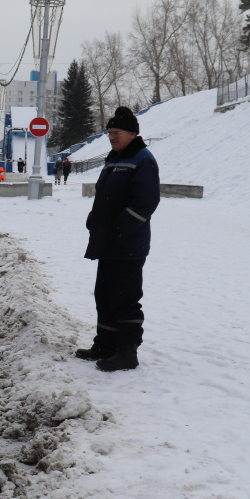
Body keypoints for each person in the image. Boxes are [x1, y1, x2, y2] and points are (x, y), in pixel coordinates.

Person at [76, 106, 160, 372]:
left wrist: (120, 228)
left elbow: (146, 202)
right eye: (109, 133)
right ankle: (105, 344)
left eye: (117, 132)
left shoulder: (142, 159)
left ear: (133, 133)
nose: (112, 137)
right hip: (108, 243)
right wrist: (95, 219)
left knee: (125, 298)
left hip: (128, 245)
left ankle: (127, 351)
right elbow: (106, 197)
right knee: (105, 295)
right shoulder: (114, 159)